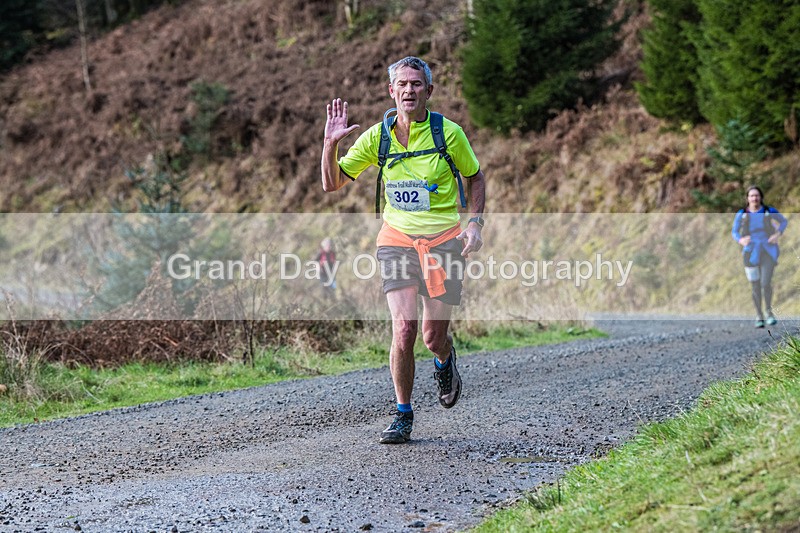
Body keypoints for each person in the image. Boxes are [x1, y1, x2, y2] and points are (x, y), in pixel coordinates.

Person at [321, 56, 486, 443]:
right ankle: (403, 413)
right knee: (404, 328)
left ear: (429, 91)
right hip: (396, 241)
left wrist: (475, 224)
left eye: (416, 84)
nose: (409, 90)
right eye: (402, 84)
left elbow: (475, 177)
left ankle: (444, 358)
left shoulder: (449, 134)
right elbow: (332, 183)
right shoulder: (377, 138)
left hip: (444, 243)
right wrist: (330, 145)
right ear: (391, 91)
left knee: (431, 337)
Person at [731, 185, 788, 328]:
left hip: (768, 250)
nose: (754, 198)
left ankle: (769, 312)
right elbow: (734, 231)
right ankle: (759, 315)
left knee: (765, 283)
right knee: (755, 285)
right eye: (751, 196)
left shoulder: (769, 211)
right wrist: (741, 240)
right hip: (750, 252)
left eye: (756, 195)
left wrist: (777, 234)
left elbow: (783, 221)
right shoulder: (742, 214)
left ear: (761, 197)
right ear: (747, 198)